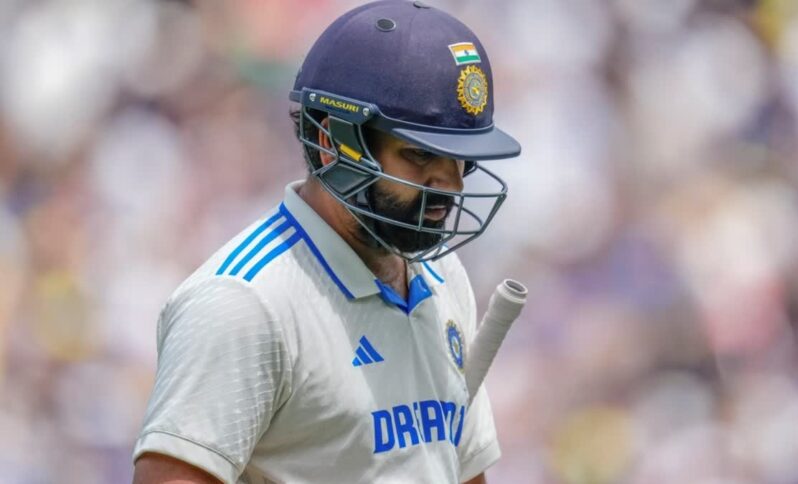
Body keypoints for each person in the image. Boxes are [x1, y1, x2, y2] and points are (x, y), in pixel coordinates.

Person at [132, 1, 521, 483]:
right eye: (421, 155)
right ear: (331, 141)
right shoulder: (243, 304)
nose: (451, 184)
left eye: (460, 159)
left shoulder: (444, 278)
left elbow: (462, 471)